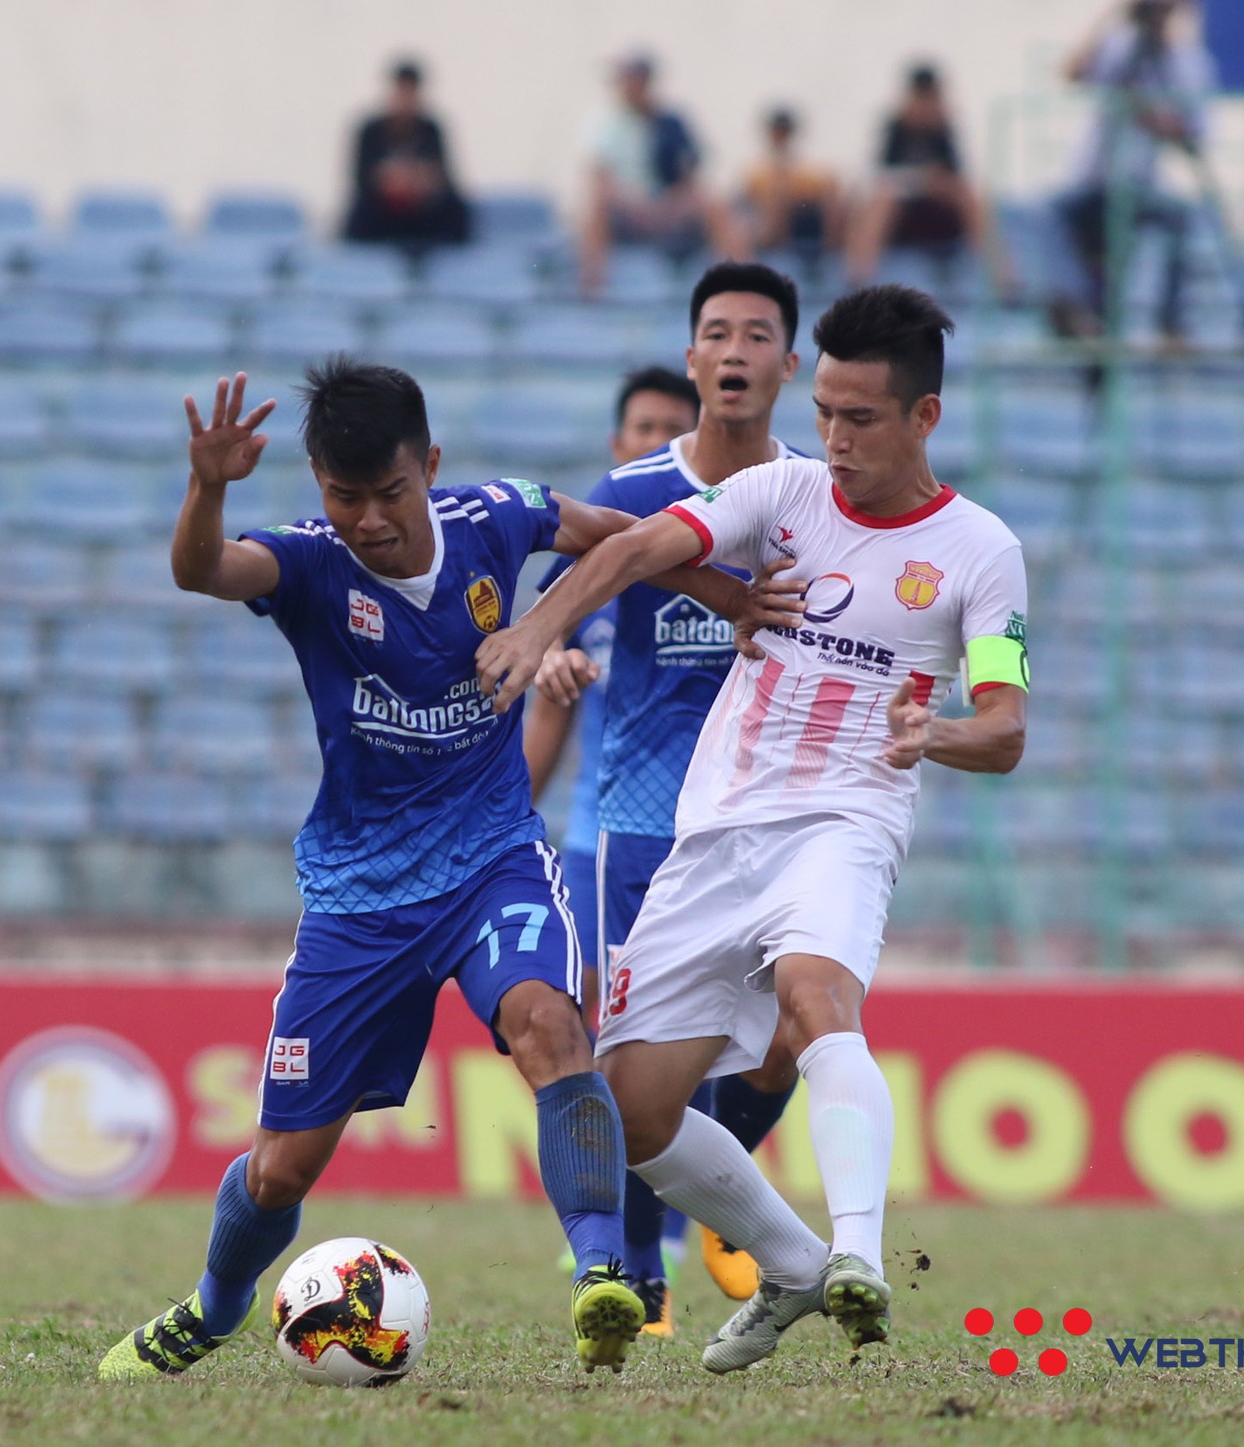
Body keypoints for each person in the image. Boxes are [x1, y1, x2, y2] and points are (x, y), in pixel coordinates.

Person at [98, 359, 792, 1382]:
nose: (369, 519)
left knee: (551, 1025)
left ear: (429, 465)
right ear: (318, 486)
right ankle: (211, 1305)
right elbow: (202, 571)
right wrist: (208, 486)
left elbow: (624, 542)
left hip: (490, 859)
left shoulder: (496, 517)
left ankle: (605, 1277)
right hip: (358, 895)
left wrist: (730, 595)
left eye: (388, 492)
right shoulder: (308, 563)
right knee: (285, 1165)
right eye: (345, 497)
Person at [476, 285, 1029, 1371]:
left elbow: (1004, 728)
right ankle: (792, 1263)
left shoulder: (978, 551)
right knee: (631, 1116)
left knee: (814, 998)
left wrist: (935, 733)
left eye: (859, 417)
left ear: (922, 417)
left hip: (844, 817)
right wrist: (542, 622)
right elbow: (637, 549)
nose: (833, 437)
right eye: (822, 410)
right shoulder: (781, 491)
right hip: (717, 827)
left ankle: (860, 1254)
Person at [534, 262, 817, 1336]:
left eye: (756, 334)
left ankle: (723, 1188)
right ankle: (642, 1277)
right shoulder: (639, 497)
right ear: (694, 353)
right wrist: (551, 652)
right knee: (634, 1063)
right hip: (640, 828)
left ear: (786, 364)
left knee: (796, 1031)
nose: (734, 351)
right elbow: (561, 618)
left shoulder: (811, 497)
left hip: (771, 821)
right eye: (715, 332)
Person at [521, 365, 702, 1032]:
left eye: (674, 432)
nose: (658, 442)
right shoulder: (582, 576)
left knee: (717, 1037)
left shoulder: (727, 557)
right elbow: (545, 688)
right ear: (617, 444)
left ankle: (689, 1136)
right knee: (562, 1015)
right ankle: (603, 1136)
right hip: (599, 833)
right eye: (645, 429)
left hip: (708, 834)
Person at [1053, 0, 1215, 340]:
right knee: (1081, 253)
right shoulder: (1119, 45)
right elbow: (1071, 72)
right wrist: (1116, 12)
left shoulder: (1187, 61)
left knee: (1177, 223)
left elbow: (1193, 133)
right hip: (1093, 182)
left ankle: (1170, 325)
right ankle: (1085, 322)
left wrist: (1142, 111)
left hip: (1139, 185)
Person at [578, 54, 747, 293]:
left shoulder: (670, 121)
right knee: (595, 210)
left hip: (666, 207)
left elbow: (690, 173)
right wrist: (634, 206)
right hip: (626, 210)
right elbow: (600, 180)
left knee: (714, 204)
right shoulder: (604, 124)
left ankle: (738, 281)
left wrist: (669, 205)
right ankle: (593, 288)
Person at [844, 64, 1002, 290]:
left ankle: (1000, 277)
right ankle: (859, 277)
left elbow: (955, 176)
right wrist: (921, 180)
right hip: (900, 214)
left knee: (971, 195)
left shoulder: (942, 128)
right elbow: (879, 176)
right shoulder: (895, 127)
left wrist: (937, 183)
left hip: (937, 212)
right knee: (883, 198)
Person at [342, 58, 470, 251]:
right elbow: (361, 177)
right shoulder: (370, 130)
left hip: (421, 209)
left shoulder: (430, 129)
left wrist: (419, 181)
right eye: (402, 92)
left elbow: (443, 175)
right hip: (383, 210)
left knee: (456, 208)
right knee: (360, 212)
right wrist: (389, 181)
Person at [742, 108, 845, 261]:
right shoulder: (757, 169)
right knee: (777, 194)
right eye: (778, 132)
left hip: (803, 216)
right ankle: (770, 250)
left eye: (784, 132)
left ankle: (830, 253)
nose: (782, 137)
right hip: (769, 222)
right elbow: (751, 199)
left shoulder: (804, 168)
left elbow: (825, 188)